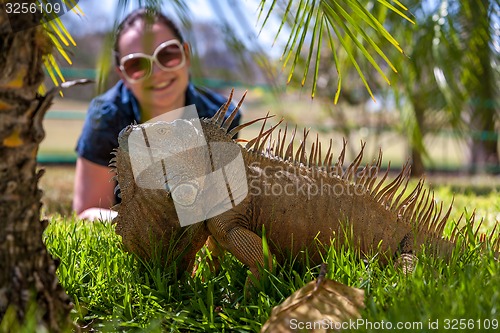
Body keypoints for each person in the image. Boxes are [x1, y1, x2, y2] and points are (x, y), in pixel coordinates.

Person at [73, 8, 241, 221]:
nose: (157, 72)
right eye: (137, 65)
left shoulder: (221, 117)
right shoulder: (106, 117)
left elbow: (224, 208)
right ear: (123, 75)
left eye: (168, 54)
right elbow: (87, 211)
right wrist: (149, 227)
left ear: (186, 56)